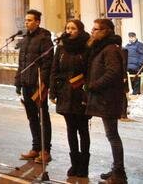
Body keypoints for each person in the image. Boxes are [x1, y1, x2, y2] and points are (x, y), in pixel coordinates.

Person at [86, 18, 128, 184]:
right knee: (111, 134)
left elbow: (113, 72)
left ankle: (119, 173)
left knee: (112, 135)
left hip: (108, 98)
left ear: (105, 32)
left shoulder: (110, 49)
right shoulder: (101, 48)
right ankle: (116, 168)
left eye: (96, 29)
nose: (92, 32)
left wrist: (94, 85)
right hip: (105, 97)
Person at [50, 19, 91, 178]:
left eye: (73, 28)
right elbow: (54, 71)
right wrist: (53, 91)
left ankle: (84, 165)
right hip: (65, 93)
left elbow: (90, 71)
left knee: (83, 129)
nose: (69, 31)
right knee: (70, 129)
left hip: (80, 93)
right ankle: (74, 163)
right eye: (67, 28)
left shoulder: (87, 47)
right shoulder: (61, 48)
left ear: (80, 30)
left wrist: (86, 91)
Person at [14, 9, 54, 164]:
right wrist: (18, 81)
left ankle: (46, 150)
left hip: (37, 84)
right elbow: (21, 63)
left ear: (37, 22)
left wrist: (42, 83)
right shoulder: (25, 39)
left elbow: (47, 64)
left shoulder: (44, 39)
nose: (26, 23)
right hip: (26, 83)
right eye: (26, 20)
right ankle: (35, 147)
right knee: (32, 117)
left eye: (30, 20)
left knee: (43, 117)